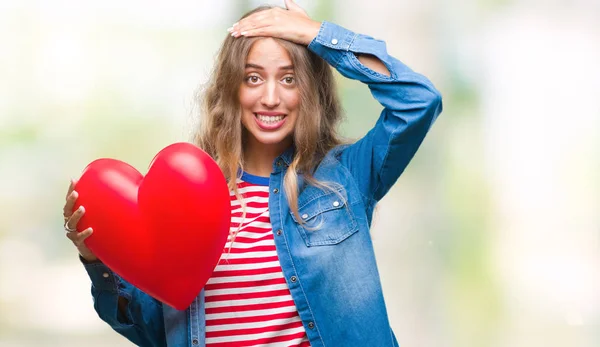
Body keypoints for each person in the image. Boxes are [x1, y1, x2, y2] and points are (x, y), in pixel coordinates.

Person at [62, 1, 442, 346]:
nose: (271, 98)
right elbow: (153, 332)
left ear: (308, 90)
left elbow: (419, 102)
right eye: (254, 78)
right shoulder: (189, 198)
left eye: (289, 78)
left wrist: (318, 36)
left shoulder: (345, 177)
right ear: (232, 88)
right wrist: (97, 262)